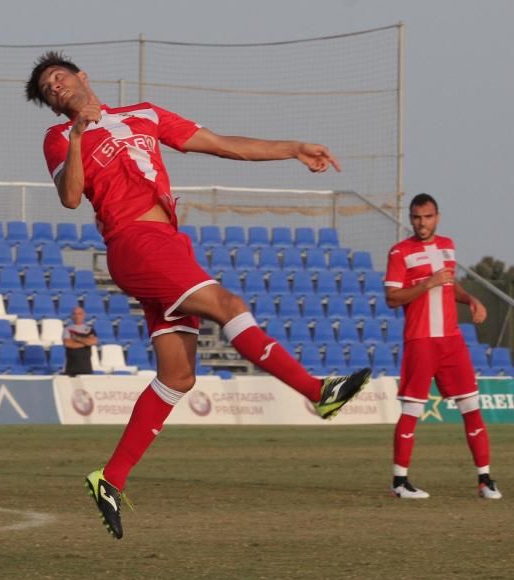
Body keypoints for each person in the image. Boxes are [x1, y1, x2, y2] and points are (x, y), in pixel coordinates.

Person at [25, 51, 372, 539]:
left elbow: (223, 144)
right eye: (47, 90)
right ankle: (319, 392)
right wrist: (80, 135)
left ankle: (110, 478)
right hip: (134, 244)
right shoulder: (59, 138)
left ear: (83, 77)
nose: (55, 87)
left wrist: (293, 148)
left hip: (165, 242)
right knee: (228, 306)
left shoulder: (143, 114)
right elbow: (69, 196)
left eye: (59, 77)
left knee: (178, 375)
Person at [384, 194, 501, 500]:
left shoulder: (448, 245)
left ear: (437, 216)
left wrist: (471, 299)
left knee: (472, 407)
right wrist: (427, 284)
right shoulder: (400, 252)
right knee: (412, 410)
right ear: (410, 219)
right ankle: (399, 482)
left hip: (451, 341)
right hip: (421, 340)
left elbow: (450, 284)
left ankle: (485, 480)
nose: (422, 223)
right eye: (416, 217)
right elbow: (392, 299)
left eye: (427, 217)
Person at [63, 305, 98, 375]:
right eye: (75, 314)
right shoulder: (67, 329)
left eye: (79, 314)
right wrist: (86, 343)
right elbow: (68, 344)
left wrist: (76, 338)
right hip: (71, 366)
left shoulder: (89, 329)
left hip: (86, 366)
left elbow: (93, 341)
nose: (77, 316)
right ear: (72, 316)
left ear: (84, 315)